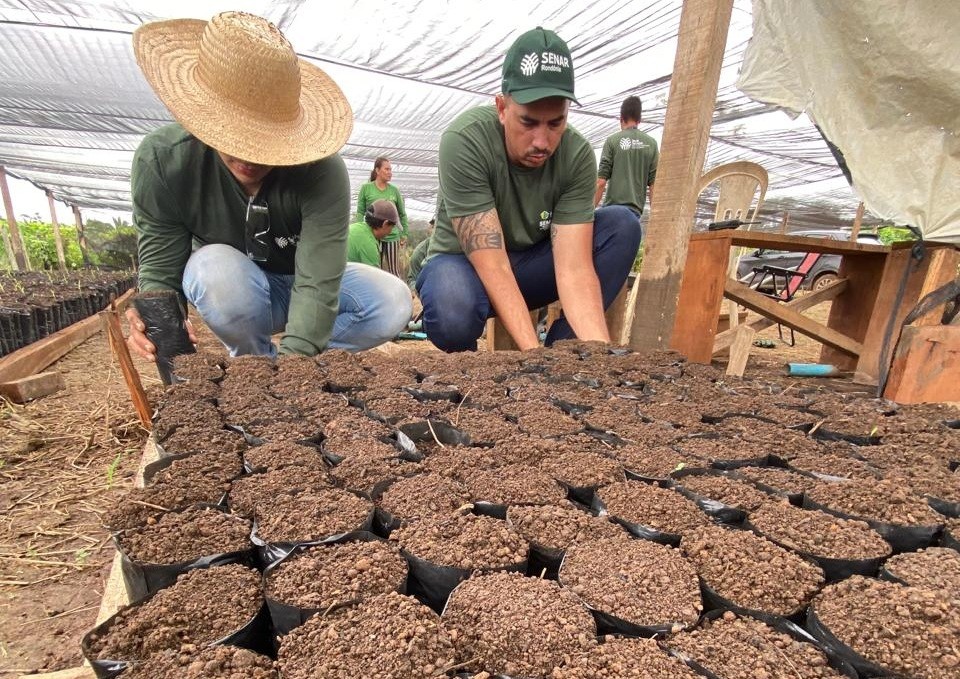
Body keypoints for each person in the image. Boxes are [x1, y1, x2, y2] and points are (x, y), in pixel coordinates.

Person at [125, 11, 411, 361]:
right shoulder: (165, 162)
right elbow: (161, 268)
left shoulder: (321, 171)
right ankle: (253, 362)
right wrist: (159, 327)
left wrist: (293, 367)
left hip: (302, 280)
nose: (249, 157)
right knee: (212, 269)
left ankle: (287, 369)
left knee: (392, 301)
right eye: (234, 137)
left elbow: (317, 282)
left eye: (264, 142)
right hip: (238, 291)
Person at [416, 27, 642, 352]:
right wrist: (532, 356)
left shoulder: (576, 155)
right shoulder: (466, 140)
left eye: (555, 123)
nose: (542, 141)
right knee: (452, 306)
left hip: (530, 267)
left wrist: (598, 353)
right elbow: (493, 265)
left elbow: (575, 270)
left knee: (622, 226)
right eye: (528, 122)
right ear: (502, 108)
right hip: (465, 268)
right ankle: (477, 367)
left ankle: (568, 355)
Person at [594, 95, 659, 234]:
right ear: (639, 120)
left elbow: (600, 182)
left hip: (611, 213)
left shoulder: (612, 141)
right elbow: (654, 186)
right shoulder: (652, 145)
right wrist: (657, 219)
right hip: (633, 217)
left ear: (621, 118)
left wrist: (586, 212)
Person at [355, 157, 409, 278]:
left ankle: (397, 289)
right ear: (377, 170)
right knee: (374, 270)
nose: (390, 172)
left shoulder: (394, 190)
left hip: (392, 237)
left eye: (391, 170)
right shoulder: (366, 188)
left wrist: (404, 233)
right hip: (373, 235)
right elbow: (360, 212)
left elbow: (402, 214)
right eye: (387, 169)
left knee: (394, 271)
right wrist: (360, 230)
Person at [347, 200, 400, 268]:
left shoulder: (356, 227)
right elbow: (373, 274)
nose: (391, 231)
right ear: (385, 224)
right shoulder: (369, 245)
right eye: (392, 227)